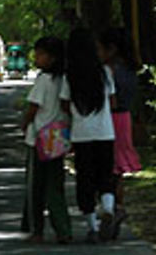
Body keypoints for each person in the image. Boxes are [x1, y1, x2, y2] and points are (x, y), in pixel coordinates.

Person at [59, 28, 117, 243]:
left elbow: (64, 104)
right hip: (105, 132)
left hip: (81, 134)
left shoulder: (69, 77)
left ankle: (92, 227)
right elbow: (112, 101)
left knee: (85, 179)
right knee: (105, 174)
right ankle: (109, 208)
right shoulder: (105, 73)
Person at [19, 36, 72, 244]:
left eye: (41, 54)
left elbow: (33, 107)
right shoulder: (65, 79)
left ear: (52, 58)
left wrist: (24, 124)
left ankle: (37, 230)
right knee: (55, 186)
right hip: (58, 137)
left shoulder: (44, 80)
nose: (37, 58)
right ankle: (63, 229)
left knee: (36, 187)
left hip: (39, 138)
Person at [99, 27, 141, 234]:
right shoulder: (131, 68)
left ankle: (112, 207)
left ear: (111, 49)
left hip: (110, 119)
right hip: (125, 119)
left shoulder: (110, 71)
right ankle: (118, 206)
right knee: (117, 169)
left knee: (108, 166)